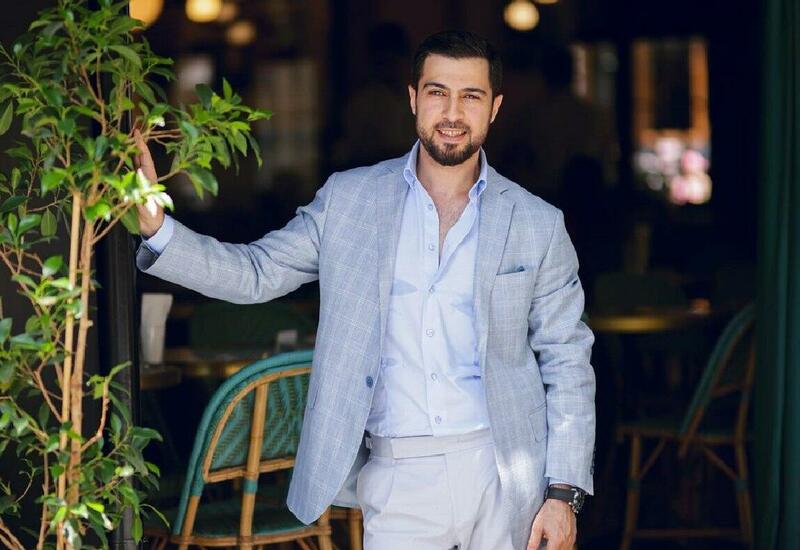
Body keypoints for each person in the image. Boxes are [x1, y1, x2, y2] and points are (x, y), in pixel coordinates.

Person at [135, 30, 595, 550]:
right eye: (438, 92)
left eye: (471, 96)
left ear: (495, 108)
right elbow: (256, 272)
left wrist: (563, 492)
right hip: (398, 476)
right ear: (413, 98)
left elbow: (567, 359)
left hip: (507, 473)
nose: (452, 112)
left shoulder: (536, 222)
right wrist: (158, 227)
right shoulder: (349, 200)